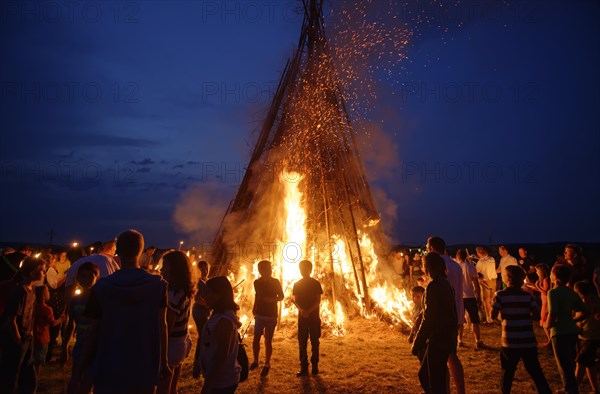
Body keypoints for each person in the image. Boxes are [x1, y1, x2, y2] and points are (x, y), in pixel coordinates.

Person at [77, 229, 169, 394]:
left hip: (109, 365)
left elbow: (93, 332)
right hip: (143, 366)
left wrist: (81, 366)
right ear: (141, 251)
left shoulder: (101, 288)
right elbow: (162, 325)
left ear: (117, 251)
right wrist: (164, 362)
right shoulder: (158, 286)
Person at [492, 265, 552, 394]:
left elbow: (492, 314)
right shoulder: (527, 296)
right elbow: (536, 315)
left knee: (507, 372)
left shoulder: (500, 295)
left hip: (509, 340)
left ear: (507, 279)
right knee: (535, 370)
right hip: (528, 340)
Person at [411, 252, 457, 394]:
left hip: (439, 338)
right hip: (446, 336)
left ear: (427, 266)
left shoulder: (434, 286)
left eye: (423, 265)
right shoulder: (445, 283)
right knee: (430, 376)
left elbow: (429, 317)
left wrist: (418, 341)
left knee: (431, 379)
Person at [0, 257, 45, 393]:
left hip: (27, 337)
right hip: (17, 340)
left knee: (28, 369)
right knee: (13, 371)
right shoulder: (20, 292)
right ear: (32, 273)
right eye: (41, 270)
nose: (43, 273)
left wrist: (30, 334)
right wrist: (18, 339)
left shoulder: (32, 290)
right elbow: (11, 319)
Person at [426, 236, 465, 394]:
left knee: (441, 358)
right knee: (451, 355)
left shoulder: (438, 266)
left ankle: (446, 390)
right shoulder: (456, 265)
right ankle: (460, 391)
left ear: (433, 248)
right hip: (456, 314)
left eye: (428, 247)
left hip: (442, 318)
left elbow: (439, 294)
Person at [546, 264, 590, 394]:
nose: (550, 275)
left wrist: (548, 325)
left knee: (563, 365)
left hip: (559, 332)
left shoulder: (552, 292)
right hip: (572, 332)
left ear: (556, 278)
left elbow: (552, 313)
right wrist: (573, 321)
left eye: (551, 273)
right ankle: (569, 388)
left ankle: (570, 390)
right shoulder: (571, 292)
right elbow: (587, 311)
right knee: (569, 363)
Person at [158, 251, 194, 394]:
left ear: (174, 269)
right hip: (182, 341)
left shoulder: (172, 294)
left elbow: (167, 326)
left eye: (164, 266)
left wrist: (163, 357)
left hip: (172, 346)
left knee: (163, 387)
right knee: (173, 386)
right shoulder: (183, 290)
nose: (160, 270)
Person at [199, 276, 241, 394]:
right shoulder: (217, 315)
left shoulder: (224, 321)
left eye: (207, 293)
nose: (204, 297)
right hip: (218, 379)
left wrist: (209, 384)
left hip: (223, 382)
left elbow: (222, 355)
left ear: (219, 295)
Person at [66, 262, 99, 394]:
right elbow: (71, 323)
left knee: (88, 381)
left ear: (97, 277)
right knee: (76, 378)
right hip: (80, 344)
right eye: (82, 276)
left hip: (96, 347)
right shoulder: (75, 300)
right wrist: (65, 347)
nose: (86, 279)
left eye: (90, 276)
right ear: (78, 278)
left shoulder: (99, 299)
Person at [250, 260, 284, 377]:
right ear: (260, 270)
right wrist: (254, 307)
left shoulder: (275, 282)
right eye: (265, 269)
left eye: (269, 268)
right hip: (259, 314)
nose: (269, 270)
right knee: (256, 338)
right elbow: (257, 295)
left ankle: (267, 364)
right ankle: (255, 361)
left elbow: (281, 296)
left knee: (268, 340)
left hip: (271, 315)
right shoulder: (257, 282)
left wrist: (273, 299)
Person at [292, 259, 323, 377]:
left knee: (315, 342)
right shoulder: (297, 284)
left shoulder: (316, 284)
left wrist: (308, 311)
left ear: (310, 270)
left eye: (305, 269)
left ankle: (315, 365)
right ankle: (303, 366)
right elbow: (296, 300)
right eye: (301, 269)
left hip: (314, 318)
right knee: (302, 342)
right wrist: (302, 310)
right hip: (302, 318)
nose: (302, 271)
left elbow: (317, 301)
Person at [573, 281, 600, 393]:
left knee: (580, 363)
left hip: (591, 338)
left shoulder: (591, 303)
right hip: (583, 337)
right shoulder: (592, 301)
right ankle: (595, 389)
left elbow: (579, 318)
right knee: (588, 364)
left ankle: (572, 389)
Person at [33, 284, 65, 377]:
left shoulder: (34, 307)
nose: (49, 293)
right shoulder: (47, 309)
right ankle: (34, 381)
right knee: (39, 362)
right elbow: (53, 323)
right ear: (43, 295)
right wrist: (61, 319)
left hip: (34, 337)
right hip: (43, 338)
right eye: (47, 291)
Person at [455, 249, 483, 349]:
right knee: (474, 319)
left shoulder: (456, 267)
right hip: (470, 296)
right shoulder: (471, 267)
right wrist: (478, 296)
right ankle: (478, 340)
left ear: (458, 257)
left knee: (460, 320)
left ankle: (459, 340)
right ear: (465, 257)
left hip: (459, 297)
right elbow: (476, 283)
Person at [192, 260, 211, 379]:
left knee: (204, 336)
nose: (205, 271)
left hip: (204, 311)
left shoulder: (206, 281)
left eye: (206, 268)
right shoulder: (198, 282)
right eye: (202, 269)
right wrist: (207, 305)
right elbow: (197, 297)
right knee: (202, 337)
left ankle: (200, 364)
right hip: (199, 312)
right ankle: (197, 365)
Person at [530, 264, 552, 345]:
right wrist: (533, 287)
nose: (536, 272)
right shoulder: (542, 279)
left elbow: (546, 291)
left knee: (544, 319)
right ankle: (550, 339)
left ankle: (550, 339)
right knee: (543, 320)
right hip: (544, 301)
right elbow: (541, 290)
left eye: (537, 270)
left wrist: (537, 286)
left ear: (541, 271)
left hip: (546, 302)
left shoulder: (546, 279)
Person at [475, 246, 497, 323]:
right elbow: (485, 261)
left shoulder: (480, 262)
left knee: (486, 300)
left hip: (485, 281)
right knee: (492, 299)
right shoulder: (492, 259)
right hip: (493, 280)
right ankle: (494, 315)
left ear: (479, 253)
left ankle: (489, 318)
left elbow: (476, 272)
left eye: (477, 252)